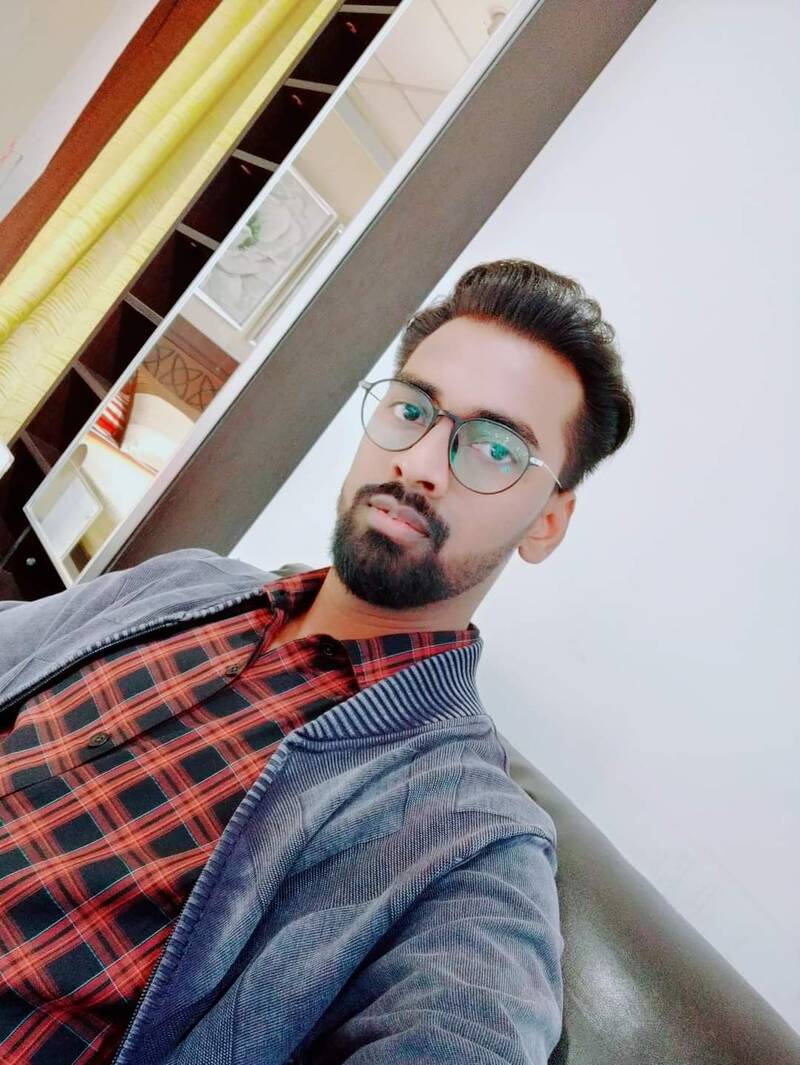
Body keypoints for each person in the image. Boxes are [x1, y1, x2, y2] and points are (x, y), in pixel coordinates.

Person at [0, 260, 634, 1064]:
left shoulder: (471, 839)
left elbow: (473, 1027)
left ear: (547, 522)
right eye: (412, 409)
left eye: (494, 449)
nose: (420, 464)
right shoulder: (188, 582)